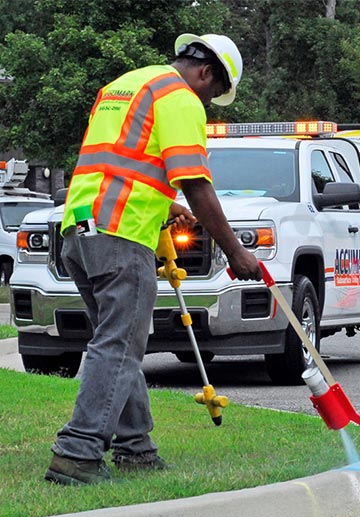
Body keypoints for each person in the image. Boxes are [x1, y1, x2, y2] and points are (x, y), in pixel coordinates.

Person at [45, 33, 262, 486]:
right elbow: (196, 183)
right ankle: (77, 453)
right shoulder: (180, 98)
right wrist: (235, 251)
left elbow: (118, 163)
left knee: (117, 342)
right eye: (214, 93)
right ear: (205, 73)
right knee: (120, 346)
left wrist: (164, 206)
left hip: (79, 231)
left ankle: (136, 447)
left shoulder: (124, 86)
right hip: (121, 237)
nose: (209, 101)